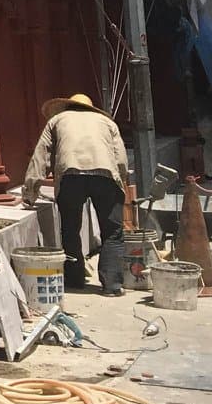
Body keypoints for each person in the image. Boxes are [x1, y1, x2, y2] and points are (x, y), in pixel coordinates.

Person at [22, 93, 131, 295]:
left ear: (68, 106)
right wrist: (121, 181)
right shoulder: (106, 122)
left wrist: (30, 191)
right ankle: (112, 286)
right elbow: (121, 158)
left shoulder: (56, 120)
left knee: (70, 230)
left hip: (70, 176)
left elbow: (41, 156)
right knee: (112, 233)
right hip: (105, 176)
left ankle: (74, 280)